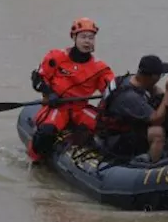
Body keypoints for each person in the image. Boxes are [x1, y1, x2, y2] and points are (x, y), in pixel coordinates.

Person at [27, 17, 115, 161]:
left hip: (80, 108)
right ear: (74, 37)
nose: (87, 41)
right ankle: (35, 159)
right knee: (46, 132)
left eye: (91, 38)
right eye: (83, 37)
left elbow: (111, 90)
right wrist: (50, 93)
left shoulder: (100, 68)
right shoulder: (56, 57)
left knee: (108, 128)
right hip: (57, 106)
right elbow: (37, 80)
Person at [94, 55, 168, 163]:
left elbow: (154, 91)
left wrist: (164, 95)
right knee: (157, 132)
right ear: (152, 77)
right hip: (113, 138)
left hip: (126, 126)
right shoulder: (129, 97)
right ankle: (151, 167)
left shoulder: (133, 79)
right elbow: (157, 119)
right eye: (160, 76)